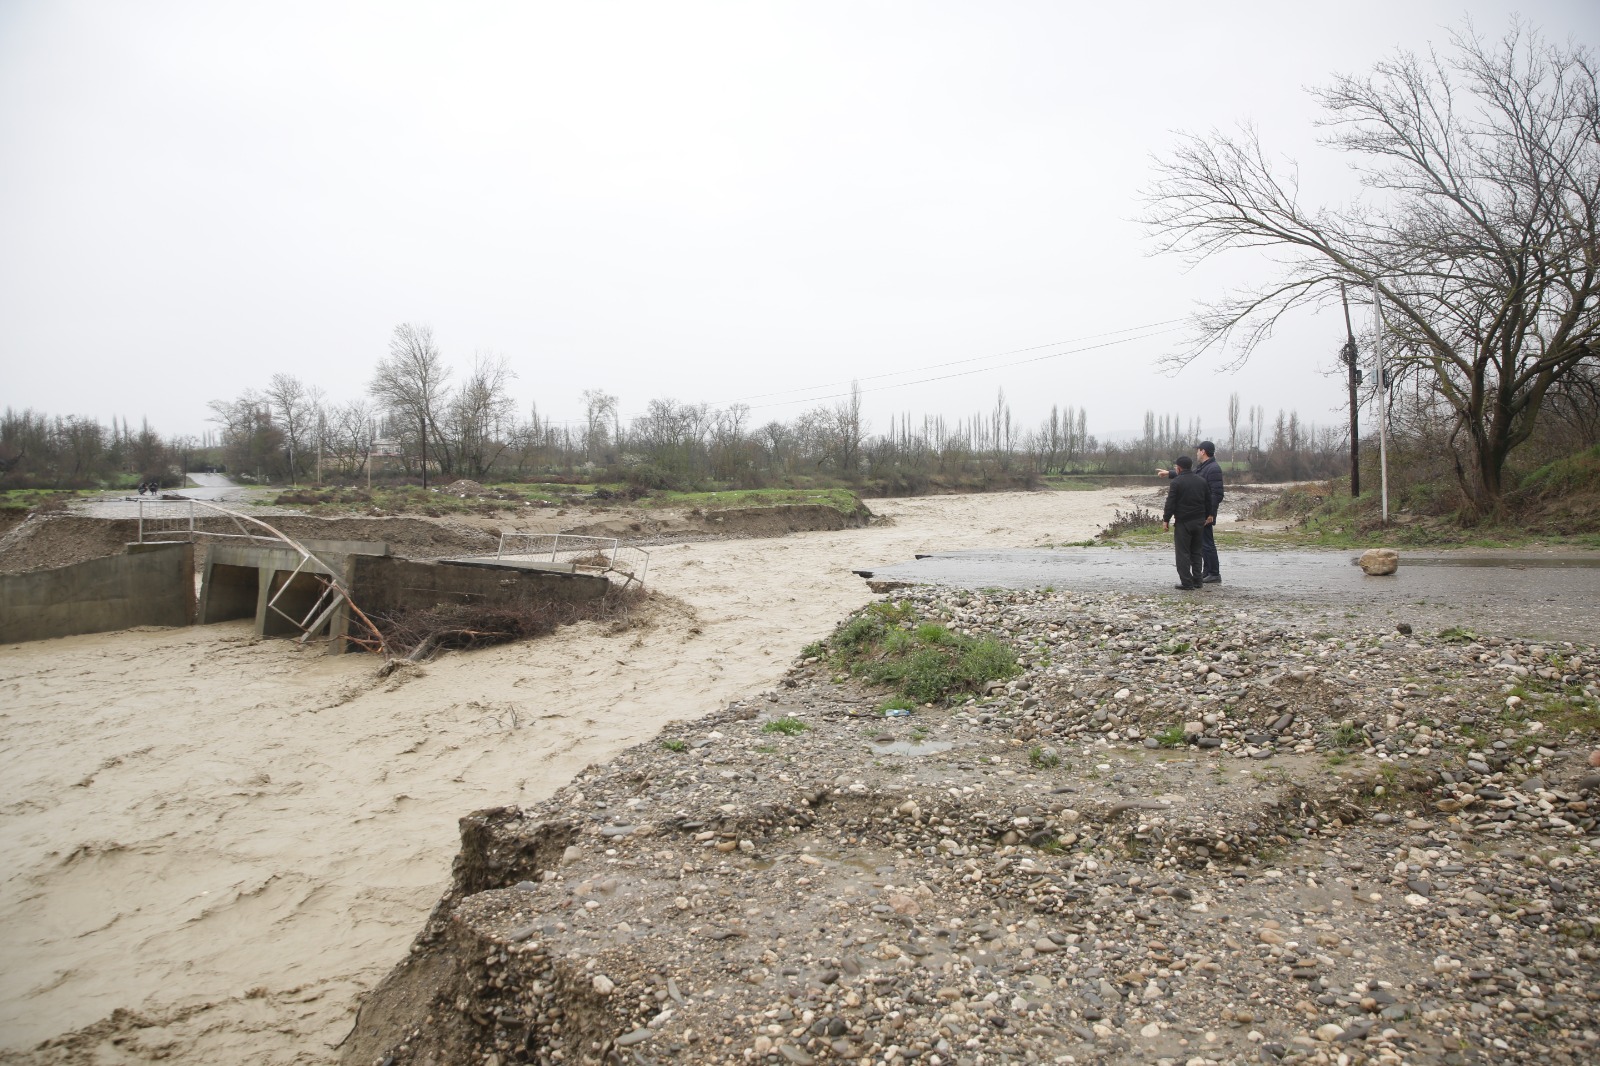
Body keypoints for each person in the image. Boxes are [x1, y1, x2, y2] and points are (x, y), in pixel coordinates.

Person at [1155, 440, 1224, 583]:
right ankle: (1206, 573)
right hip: (1201, 514)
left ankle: (1214, 573)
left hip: (1205, 514)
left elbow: (1216, 494)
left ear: (1203, 451)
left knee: (1207, 543)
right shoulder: (1205, 467)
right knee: (1202, 545)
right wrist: (1170, 473)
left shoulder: (1213, 468)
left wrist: (1210, 513)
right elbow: (1189, 475)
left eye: (1198, 450)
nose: (1196, 452)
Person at [1162, 455, 1214, 590]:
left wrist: (1166, 519)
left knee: (1182, 553)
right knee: (1197, 552)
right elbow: (1208, 500)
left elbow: (1170, 503)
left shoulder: (1176, 482)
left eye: (1175, 467)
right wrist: (1210, 514)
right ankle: (1198, 581)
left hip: (1183, 522)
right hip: (1199, 522)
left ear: (1179, 468)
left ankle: (1186, 582)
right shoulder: (1201, 481)